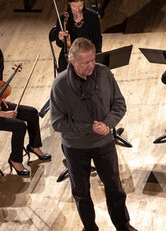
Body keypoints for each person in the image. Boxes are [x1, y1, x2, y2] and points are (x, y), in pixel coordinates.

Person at [50, 38, 137, 231]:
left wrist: (108, 124)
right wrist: (90, 127)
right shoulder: (60, 84)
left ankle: (123, 226)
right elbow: (57, 122)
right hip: (75, 148)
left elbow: (119, 104)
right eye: (86, 62)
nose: (92, 66)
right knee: (81, 193)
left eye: (92, 59)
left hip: (103, 142)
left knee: (115, 188)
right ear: (72, 62)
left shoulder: (104, 72)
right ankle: (90, 228)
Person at [0, 44, 50, 176]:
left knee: (32, 112)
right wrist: (3, 114)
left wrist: (2, 99)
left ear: (0, 63)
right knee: (19, 126)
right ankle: (15, 159)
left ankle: (34, 146)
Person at [50, 0, 103, 72]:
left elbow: (98, 39)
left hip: (88, 55)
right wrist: (60, 39)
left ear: (84, 3)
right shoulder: (62, 18)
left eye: (80, 6)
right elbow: (60, 44)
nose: (77, 10)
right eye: (74, 6)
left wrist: (96, 56)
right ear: (69, 3)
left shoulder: (92, 16)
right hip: (70, 58)